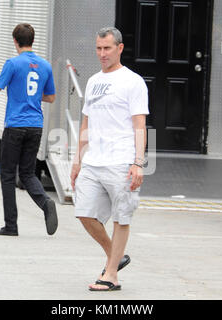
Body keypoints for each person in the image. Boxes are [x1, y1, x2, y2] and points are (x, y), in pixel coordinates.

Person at [70, 27, 149, 291]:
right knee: (84, 213)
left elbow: (140, 124)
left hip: (121, 161)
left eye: (107, 48)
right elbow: (85, 124)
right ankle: (115, 255)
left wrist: (138, 163)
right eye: (99, 48)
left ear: (120, 48)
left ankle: (111, 274)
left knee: (121, 217)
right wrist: (78, 160)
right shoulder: (93, 81)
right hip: (93, 160)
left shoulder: (133, 81)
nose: (102, 54)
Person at [0, 23, 58, 237]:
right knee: (27, 173)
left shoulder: (13, 64)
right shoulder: (45, 66)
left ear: (15, 41)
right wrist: (34, 97)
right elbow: (51, 97)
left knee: (8, 175)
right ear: (33, 40)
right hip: (35, 125)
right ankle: (46, 203)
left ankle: (11, 226)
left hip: (16, 125)